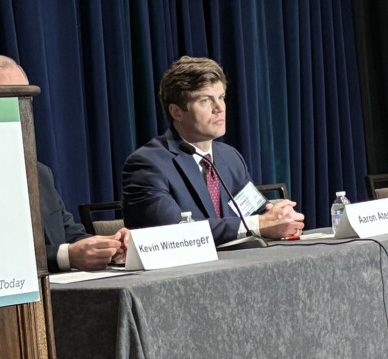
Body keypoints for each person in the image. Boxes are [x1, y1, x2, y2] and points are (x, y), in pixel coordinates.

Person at [0, 55, 130, 271]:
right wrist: (66, 256)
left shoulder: (40, 173)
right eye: (2, 99)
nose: (16, 108)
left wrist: (111, 245)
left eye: (23, 98)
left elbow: (71, 236)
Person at [122, 56, 303, 243]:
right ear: (177, 112)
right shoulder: (147, 164)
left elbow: (255, 213)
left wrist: (281, 217)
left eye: (221, 97)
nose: (219, 108)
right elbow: (175, 231)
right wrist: (260, 224)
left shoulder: (230, 157)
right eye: (205, 100)